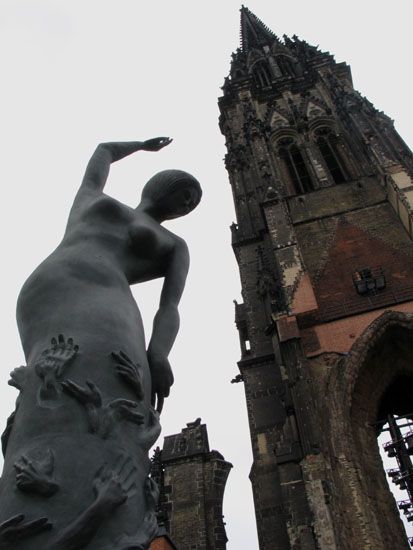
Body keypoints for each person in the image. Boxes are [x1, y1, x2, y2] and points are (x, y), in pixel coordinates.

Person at [16, 137, 202, 414]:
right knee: (47, 361)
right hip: (50, 283)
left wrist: (159, 352)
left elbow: (170, 306)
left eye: (194, 202)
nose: (189, 202)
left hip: (109, 298)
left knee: (101, 371)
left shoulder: (175, 245)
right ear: (163, 185)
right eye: (186, 191)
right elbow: (104, 150)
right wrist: (141, 145)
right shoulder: (91, 194)